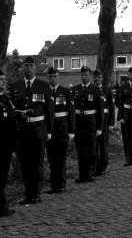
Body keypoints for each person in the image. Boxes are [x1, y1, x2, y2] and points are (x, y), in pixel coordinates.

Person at [9, 56, 54, 205]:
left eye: (31, 65)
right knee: (25, 164)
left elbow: (49, 110)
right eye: (26, 65)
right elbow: (12, 110)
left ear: (35, 67)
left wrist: (49, 131)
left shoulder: (44, 86)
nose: (28, 68)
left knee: (37, 163)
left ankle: (36, 194)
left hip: (38, 130)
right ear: (23, 67)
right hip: (22, 131)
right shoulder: (15, 86)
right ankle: (28, 194)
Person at [72, 66, 104, 183]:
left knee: (91, 150)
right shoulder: (75, 89)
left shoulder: (95, 90)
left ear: (90, 76)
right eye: (82, 75)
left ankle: (90, 173)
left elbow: (100, 110)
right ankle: (82, 175)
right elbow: (72, 109)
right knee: (81, 151)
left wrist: (100, 127)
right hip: (79, 123)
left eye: (86, 75)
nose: (84, 77)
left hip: (91, 123)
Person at [46, 66, 75, 194]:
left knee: (61, 158)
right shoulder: (45, 92)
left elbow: (71, 112)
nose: (53, 79)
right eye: (51, 76)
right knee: (52, 159)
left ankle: (61, 184)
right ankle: (53, 185)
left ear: (59, 77)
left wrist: (72, 131)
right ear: (48, 78)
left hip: (62, 129)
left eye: (55, 76)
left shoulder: (66, 92)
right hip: (49, 130)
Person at [0, 69, 16, 216]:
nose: (3, 83)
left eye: (4, 80)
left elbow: (11, 120)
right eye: (0, 80)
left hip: (7, 144)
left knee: (3, 175)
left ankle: (2, 205)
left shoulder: (6, 98)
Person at [93, 69, 115, 175]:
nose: (97, 79)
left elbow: (111, 107)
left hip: (105, 122)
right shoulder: (91, 89)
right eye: (95, 77)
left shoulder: (107, 90)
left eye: (99, 77)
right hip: (94, 122)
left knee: (103, 145)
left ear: (102, 78)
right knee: (94, 146)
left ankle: (104, 165)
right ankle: (95, 166)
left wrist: (111, 123)